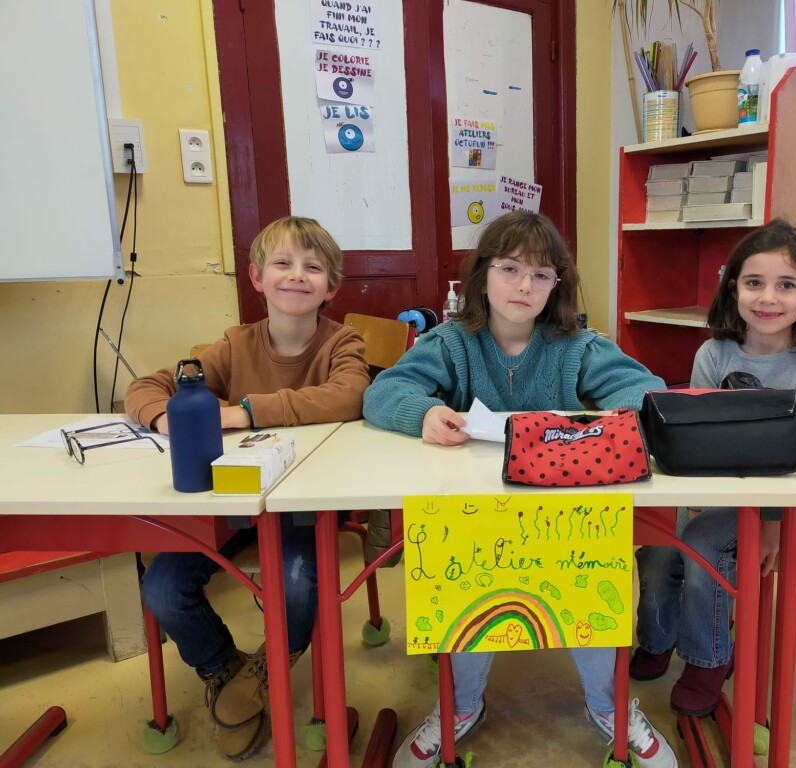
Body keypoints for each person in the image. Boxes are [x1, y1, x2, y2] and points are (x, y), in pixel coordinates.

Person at [363, 211, 676, 768]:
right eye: (510, 269)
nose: (524, 285)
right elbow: (384, 392)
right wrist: (425, 413)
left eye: (541, 274)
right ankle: (461, 706)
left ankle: (609, 706)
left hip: (562, 513)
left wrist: (602, 420)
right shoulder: (451, 342)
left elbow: (643, 391)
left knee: (594, 572)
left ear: (557, 285)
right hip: (474, 516)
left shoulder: (574, 345)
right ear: (482, 275)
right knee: (463, 583)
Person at [125, 216, 370, 760]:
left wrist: (245, 412)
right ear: (257, 277)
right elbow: (146, 387)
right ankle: (225, 668)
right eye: (283, 263)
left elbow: (350, 395)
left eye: (312, 267)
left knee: (298, 581)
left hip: (309, 507)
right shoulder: (234, 345)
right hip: (233, 504)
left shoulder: (342, 342)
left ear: (331, 286)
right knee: (161, 587)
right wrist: (165, 416)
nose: (297, 275)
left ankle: (272, 663)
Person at [631, 218, 796, 716]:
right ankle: (658, 638)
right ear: (733, 289)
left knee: (703, 545)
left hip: (783, 495)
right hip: (711, 486)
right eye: (753, 283)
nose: (767, 298)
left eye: (786, 285)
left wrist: (771, 523)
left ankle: (708, 659)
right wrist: (689, 508)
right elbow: (694, 442)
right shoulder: (714, 352)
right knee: (659, 548)